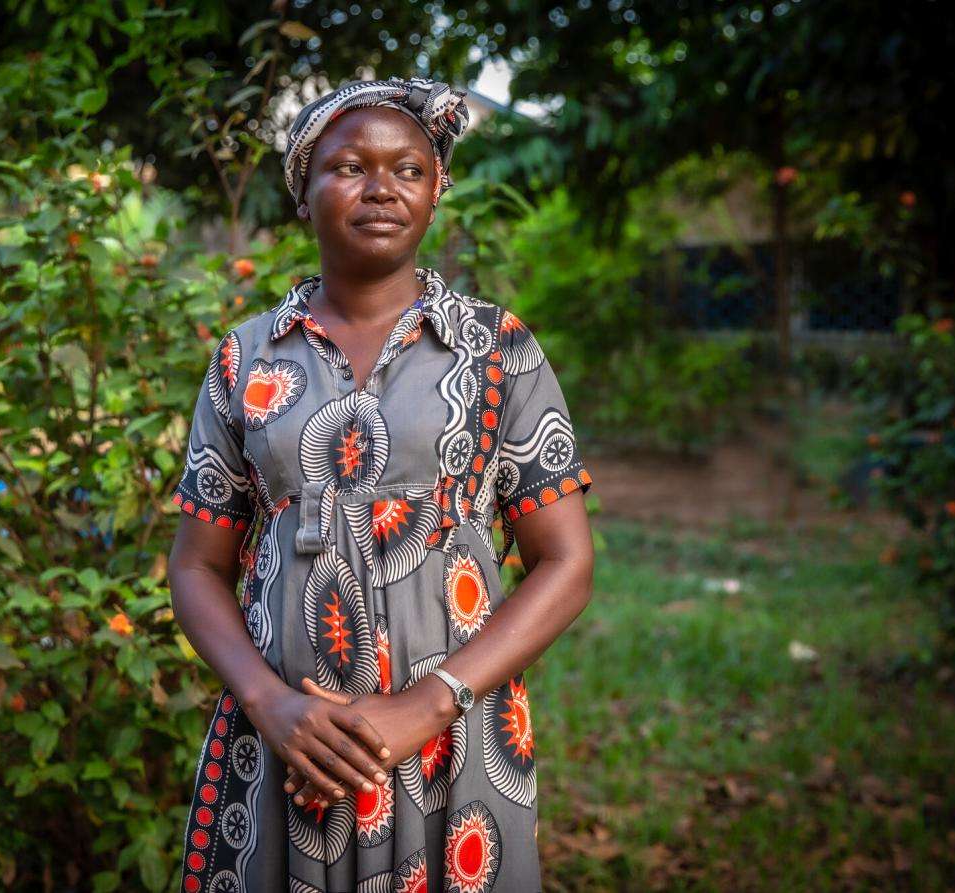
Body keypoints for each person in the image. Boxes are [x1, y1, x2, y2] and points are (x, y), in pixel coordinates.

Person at [168, 74, 596, 893]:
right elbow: (195, 565)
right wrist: (269, 703)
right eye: (350, 166)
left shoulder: (497, 349)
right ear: (304, 190)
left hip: (452, 737)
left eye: (408, 169)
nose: (380, 188)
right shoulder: (245, 357)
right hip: (288, 741)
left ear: (437, 193)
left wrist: (427, 704)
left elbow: (566, 563)